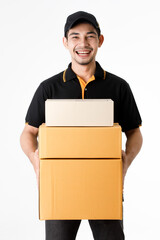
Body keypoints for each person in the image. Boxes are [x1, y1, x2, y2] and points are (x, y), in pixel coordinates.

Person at [20, 11, 143, 240]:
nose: (83, 44)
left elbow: (134, 131)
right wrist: (35, 160)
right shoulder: (49, 88)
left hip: (104, 184)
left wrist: (126, 160)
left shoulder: (118, 87)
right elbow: (28, 132)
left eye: (90, 36)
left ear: (100, 40)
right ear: (65, 42)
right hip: (61, 186)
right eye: (75, 37)